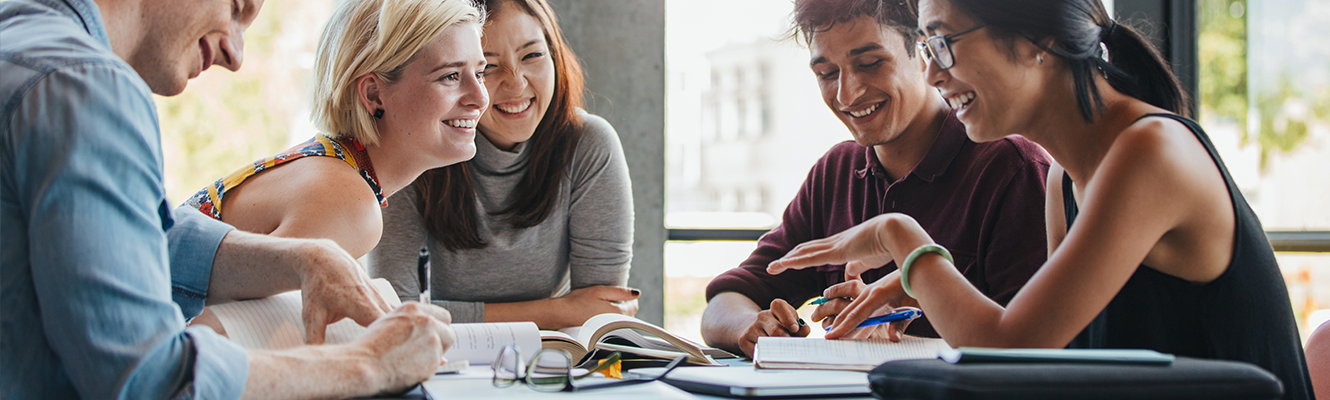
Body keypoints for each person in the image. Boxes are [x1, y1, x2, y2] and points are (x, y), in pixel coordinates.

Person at [768, 0, 1312, 398]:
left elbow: (1010, 351)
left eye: (943, 43)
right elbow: (1052, 360)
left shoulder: (1150, 153)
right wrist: (915, 289)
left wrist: (899, 237)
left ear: (1036, 43)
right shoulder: (1066, 179)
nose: (932, 73)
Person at [1, 0, 458, 398]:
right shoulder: (87, 86)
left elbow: (129, 240)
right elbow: (151, 380)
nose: (235, 56)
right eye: (236, 8)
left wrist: (304, 258)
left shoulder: (22, 38)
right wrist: (369, 364)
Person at [699, 0, 1051, 358]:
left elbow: (1032, 351)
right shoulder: (836, 172)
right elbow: (725, 302)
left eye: (870, 64)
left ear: (925, 53)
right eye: (827, 74)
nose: (846, 94)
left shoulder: (1012, 169)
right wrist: (750, 327)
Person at [368, 0, 638, 330]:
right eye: (488, 68)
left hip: (554, 360)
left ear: (555, 55)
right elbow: (395, 313)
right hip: (442, 362)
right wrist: (558, 311)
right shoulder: (414, 148)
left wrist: (574, 311)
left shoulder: (589, 145)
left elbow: (600, 310)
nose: (516, 83)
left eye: (532, 55)